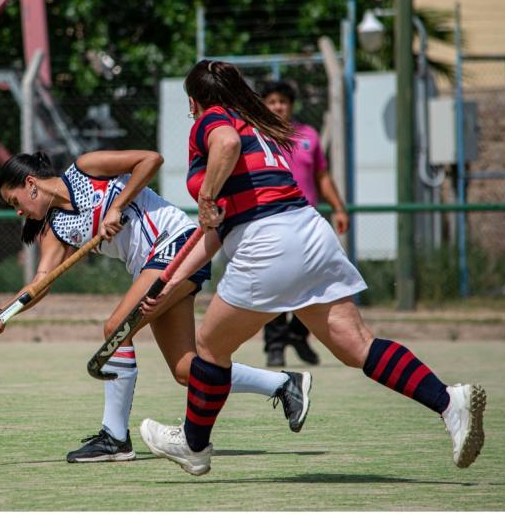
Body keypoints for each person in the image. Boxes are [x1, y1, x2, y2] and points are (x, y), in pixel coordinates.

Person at [138, 59, 486, 476]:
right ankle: (450, 402)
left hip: (268, 242)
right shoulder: (258, 125)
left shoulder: (214, 120)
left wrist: (206, 196)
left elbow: (225, 146)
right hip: (308, 232)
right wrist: (171, 280)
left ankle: (193, 446)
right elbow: (216, 233)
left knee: (210, 347)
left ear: (193, 101)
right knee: (356, 345)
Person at [0, 149, 313, 464]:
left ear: (30, 184)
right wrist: (5, 313)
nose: (17, 211)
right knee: (187, 370)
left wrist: (116, 207)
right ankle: (284, 385)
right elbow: (40, 282)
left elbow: (150, 159)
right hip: (149, 267)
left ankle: (114, 437)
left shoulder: (85, 168)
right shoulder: (57, 228)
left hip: (177, 245)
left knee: (116, 328)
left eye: (15, 201)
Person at [259, 80, 349, 368]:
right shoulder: (257, 136)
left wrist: (338, 208)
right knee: (275, 284)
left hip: (308, 224)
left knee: (315, 281)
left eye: (282, 101)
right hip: (271, 222)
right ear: (263, 105)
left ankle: (298, 334)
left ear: (291, 105)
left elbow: (322, 176)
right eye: (271, 101)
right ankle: (274, 345)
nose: (277, 106)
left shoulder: (308, 135)